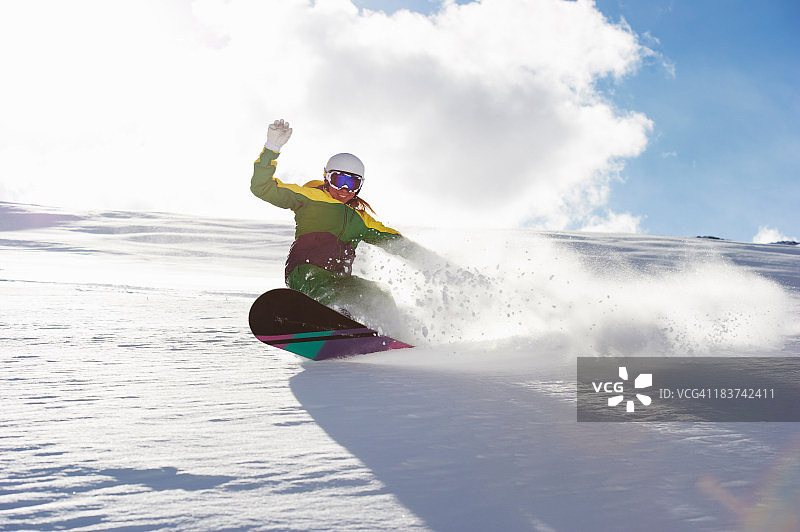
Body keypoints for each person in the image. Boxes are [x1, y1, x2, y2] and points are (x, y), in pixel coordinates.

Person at [250, 119, 425, 336]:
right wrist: (272, 148)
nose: (343, 188)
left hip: (339, 280)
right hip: (305, 270)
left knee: (378, 294)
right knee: (322, 288)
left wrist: (434, 263)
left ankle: (389, 335)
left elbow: (395, 242)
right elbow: (261, 187)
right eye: (338, 179)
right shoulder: (310, 198)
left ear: (359, 186)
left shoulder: (360, 219)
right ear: (327, 177)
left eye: (351, 183)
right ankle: (333, 317)